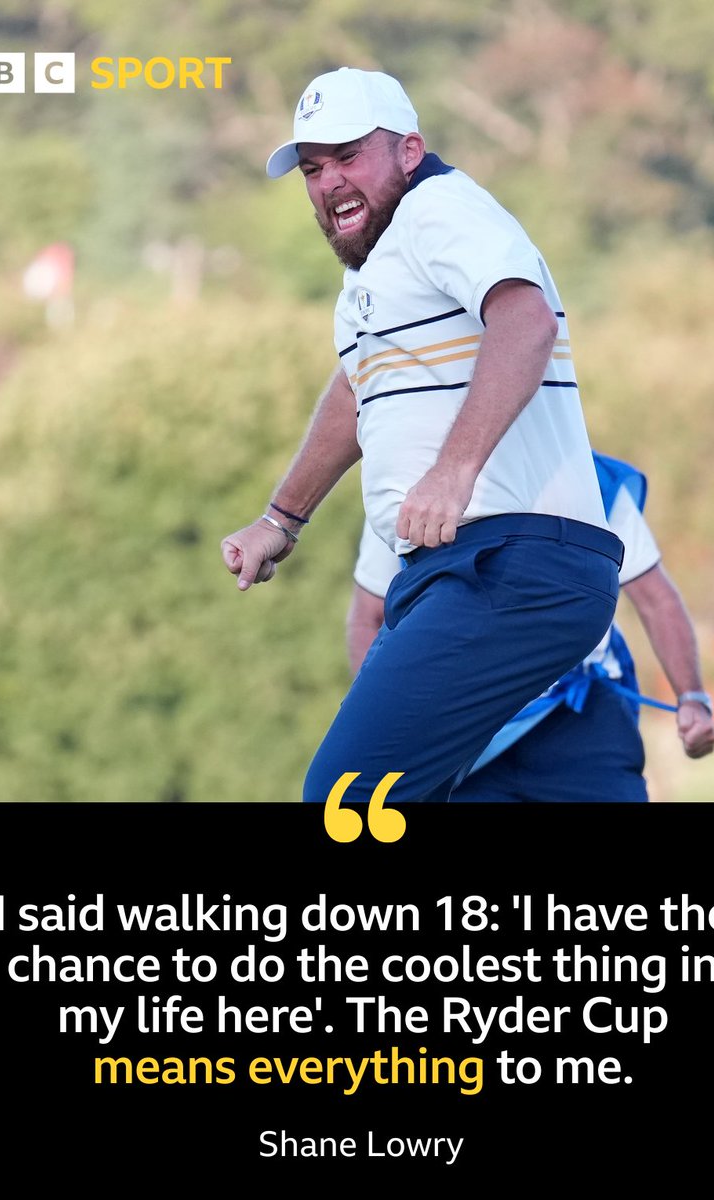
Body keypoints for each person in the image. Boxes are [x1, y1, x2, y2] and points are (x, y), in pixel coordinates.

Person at [221, 67, 625, 803]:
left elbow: (525, 320)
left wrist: (454, 470)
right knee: (410, 801)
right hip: (465, 571)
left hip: (512, 561)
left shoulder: (440, 210)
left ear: (410, 150)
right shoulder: (377, 268)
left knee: (347, 799)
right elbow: (356, 387)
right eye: (312, 168)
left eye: (349, 157)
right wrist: (281, 519)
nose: (329, 181)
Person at [348, 453, 714, 802]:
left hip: (581, 716)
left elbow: (656, 599)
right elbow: (369, 617)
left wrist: (693, 698)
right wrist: (385, 730)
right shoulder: (407, 488)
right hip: (459, 719)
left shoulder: (591, 480)